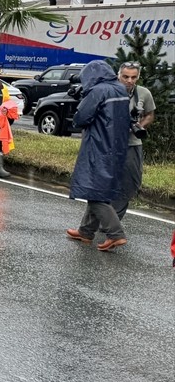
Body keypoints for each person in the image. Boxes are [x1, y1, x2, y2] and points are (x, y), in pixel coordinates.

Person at [64, 60, 132, 251]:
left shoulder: (98, 91)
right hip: (116, 147)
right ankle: (86, 231)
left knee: (93, 191)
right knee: (99, 189)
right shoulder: (120, 89)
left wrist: (82, 100)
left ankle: (116, 234)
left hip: (98, 146)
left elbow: (81, 118)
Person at [110, 62, 155, 222]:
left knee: (129, 183)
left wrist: (139, 125)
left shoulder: (143, 93)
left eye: (133, 77)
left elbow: (150, 114)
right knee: (102, 183)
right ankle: (93, 224)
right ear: (118, 75)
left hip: (132, 144)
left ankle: (113, 221)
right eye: (126, 77)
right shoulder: (108, 90)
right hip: (109, 144)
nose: (129, 80)